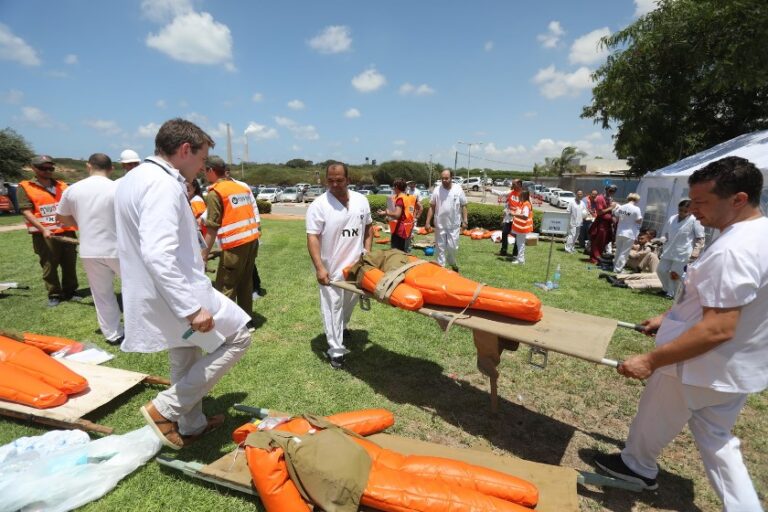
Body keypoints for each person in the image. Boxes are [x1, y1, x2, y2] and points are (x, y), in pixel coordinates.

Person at [594, 156, 767, 511]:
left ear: (738, 199)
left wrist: (651, 359)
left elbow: (718, 327)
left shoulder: (734, 249)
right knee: (718, 441)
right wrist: (667, 315)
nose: (694, 210)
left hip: (694, 366)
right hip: (736, 368)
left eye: (702, 203)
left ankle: (636, 467)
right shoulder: (759, 235)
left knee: (652, 417)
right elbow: (715, 300)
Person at [114, 118, 251, 450]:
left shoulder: (135, 179)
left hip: (160, 289)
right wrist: (190, 308)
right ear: (185, 150)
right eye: (202, 160)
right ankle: (166, 408)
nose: (203, 169)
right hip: (177, 290)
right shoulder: (162, 184)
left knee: (185, 354)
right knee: (239, 336)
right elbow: (158, 253)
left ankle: (192, 424)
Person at [306, 162, 372, 369]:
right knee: (332, 307)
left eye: (339, 180)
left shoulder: (361, 201)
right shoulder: (319, 205)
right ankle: (336, 350)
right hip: (331, 270)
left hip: (355, 269)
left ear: (348, 180)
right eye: (331, 180)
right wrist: (319, 267)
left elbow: (369, 227)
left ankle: (342, 327)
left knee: (349, 304)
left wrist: (367, 252)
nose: (334, 184)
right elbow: (313, 237)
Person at [56, 153, 124, 345]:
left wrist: (83, 225)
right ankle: (145, 328)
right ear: (111, 168)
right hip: (118, 247)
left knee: (102, 294)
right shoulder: (117, 187)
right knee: (138, 289)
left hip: (90, 248)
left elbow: (62, 218)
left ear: (88, 166)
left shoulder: (73, 189)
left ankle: (112, 334)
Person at [203, 156, 260, 330]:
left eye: (204, 171)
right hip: (251, 242)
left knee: (226, 286)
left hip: (235, 246)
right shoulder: (240, 188)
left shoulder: (216, 192)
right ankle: (247, 321)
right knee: (245, 282)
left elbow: (212, 227)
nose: (204, 174)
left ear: (211, 171)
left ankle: (228, 326)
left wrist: (203, 255)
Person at [17, 155, 79, 307]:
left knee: (69, 263)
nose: (47, 171)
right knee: (49, 266)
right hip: (44, 234)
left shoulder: (62, 185)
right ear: (33, 168)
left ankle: (70, 291)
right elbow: (26, 211)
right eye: (43, 168)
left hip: (66, 231)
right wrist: (43, 229)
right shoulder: (25, 187)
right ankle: (54, 294)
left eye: (50, 168)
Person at [224, 167, 263, 299]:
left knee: (249, 264)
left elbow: (253, 206)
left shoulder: (242, 186)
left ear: (227, 173)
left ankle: (255, 287)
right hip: (234, 234)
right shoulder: (220, 188)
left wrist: (258, 225)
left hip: (247, 232)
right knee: (241, 266)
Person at [656, 199, 705, 299]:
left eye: (685, 211)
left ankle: (671, 293)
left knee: (675, 274)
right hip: (668, 249)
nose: (682, 213)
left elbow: (700, 238)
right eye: (680, 210)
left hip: (683, 252)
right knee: (660, 270)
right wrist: (662, 240)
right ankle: (665, 288)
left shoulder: (695, 220)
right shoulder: (672, 218)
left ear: (690, 210)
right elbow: (666, 234)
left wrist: (696, 252)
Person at [425, 169, 468, 272]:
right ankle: (441, 270)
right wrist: (427, 222)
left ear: (451, 178)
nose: (444, 180)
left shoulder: (458, 189)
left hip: (453, 225)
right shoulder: (436, 190)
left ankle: (452, 262)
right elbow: (432, 206)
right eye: (442, 178)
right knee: (440, 249)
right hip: (439, 224)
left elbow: (464, 205)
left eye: (446, 178)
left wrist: (465, 220)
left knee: (452, 248)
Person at [378, 178, 417, 252]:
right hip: (407, 227)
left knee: (397, 253)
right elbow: (418, 208)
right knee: (404, 252)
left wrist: (387, 212)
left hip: (400, 230)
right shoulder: (408, 197)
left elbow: (397, 215)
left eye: (393, 186)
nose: (393, 188)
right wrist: (415, 217)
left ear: (396, 187)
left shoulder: (400, 199)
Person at [612, 193, 643, 273]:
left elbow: (616, 214)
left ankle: (615, 266)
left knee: (618, 250)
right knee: (624, 252)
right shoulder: (636, 209)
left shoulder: (622, 207)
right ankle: (618, 269)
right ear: (636, 200)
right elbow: (639, 220)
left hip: (620, 231)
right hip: (630, 233)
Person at [588, 185, 617, 264]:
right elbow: (599, 212)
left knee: (604, 241)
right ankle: (594, 258)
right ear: (606, 190)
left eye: (614, 191)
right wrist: (611, 208)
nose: (612, 192)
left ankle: (598, 257)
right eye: (610, 190)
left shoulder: (609, 199)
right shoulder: (600, 198)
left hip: (607, 224)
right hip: (601, 223)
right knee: (598, 241)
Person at [492, 180, 522, 257]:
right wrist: (491, 190)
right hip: (509, 218)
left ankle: (515, 254)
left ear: (519, 184)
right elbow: (501, 193)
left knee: (517, 236)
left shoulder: (524, 194)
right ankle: (503, 251)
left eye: (514, 184)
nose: (512, 185)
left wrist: (518, 214)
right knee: (504, 233)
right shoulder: (510, 192)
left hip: (518, 218)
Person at [510, 190, 534, 265]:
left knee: (520, 244)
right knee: (519, 243)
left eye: (520, 196)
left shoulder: (526, 205)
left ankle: (520, 260)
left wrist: (514, 214)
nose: (518, 198)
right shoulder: (523, 203)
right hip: (521, 228)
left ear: (523, 196)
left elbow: (525, 216)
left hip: (523, 228)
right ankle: (519, 258)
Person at [403, 180, 423, 253]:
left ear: (415, 184)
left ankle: (409, 247)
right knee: (407, 233)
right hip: (407, 216)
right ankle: (407, 246)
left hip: (413, 215)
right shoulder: (407, 192)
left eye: (413, 183)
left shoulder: (417, 192)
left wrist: (416, 216)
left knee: (411, 232)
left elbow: (419, 205)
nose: (411, 185)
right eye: (410, 184)